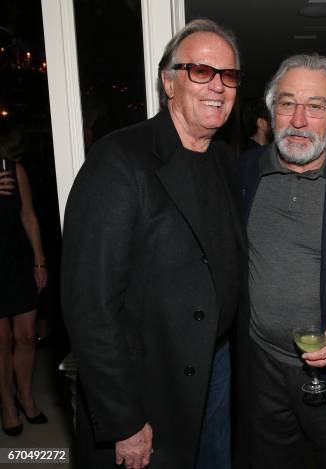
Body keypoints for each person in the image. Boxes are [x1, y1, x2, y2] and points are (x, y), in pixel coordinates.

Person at [61, 19, 246, 469]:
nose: (217, 86)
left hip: (217, 366)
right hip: (150, 381)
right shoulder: (119, 160)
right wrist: (122, 419)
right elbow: (88, 305)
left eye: (228, 75)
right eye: (201, 71)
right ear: (169, 82)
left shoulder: (225, 160)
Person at [235, 53, 326, 469]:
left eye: (315, 106)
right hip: (260, 371)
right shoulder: (241, 173)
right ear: (271, 111)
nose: (298, 120)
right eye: (287, 103)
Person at [0, 130, 48, 436]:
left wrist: (39, 260)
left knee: (27, 336)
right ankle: (7, 404)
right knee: (1, 342)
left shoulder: (13, 169)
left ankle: (26, 395)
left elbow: (29, 215)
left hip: (17, 260)